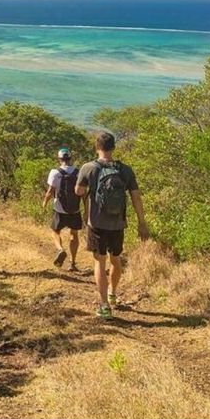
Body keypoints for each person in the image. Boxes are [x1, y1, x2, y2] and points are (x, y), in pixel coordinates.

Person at [75, 132, 149, 319]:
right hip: (118, 223)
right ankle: (113, 293)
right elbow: (136, 197)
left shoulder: (88, 167)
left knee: (99, 261)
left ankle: (104, 306)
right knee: (115, 259)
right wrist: (142, 223)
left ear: (96, 147)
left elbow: (79, 191)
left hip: (97, 222)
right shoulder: (125, 170)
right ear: (114, 147)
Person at [41, 147, 81, 271]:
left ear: (59, 159)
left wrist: (44, 203)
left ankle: (60, 249)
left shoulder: (55, 172)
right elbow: (83, 192)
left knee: (55, 231)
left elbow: (50, 191)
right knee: (74, 234)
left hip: (59, 209)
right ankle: (73, 263)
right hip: (75, 209)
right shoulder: (78, 172)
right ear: (70, 158)